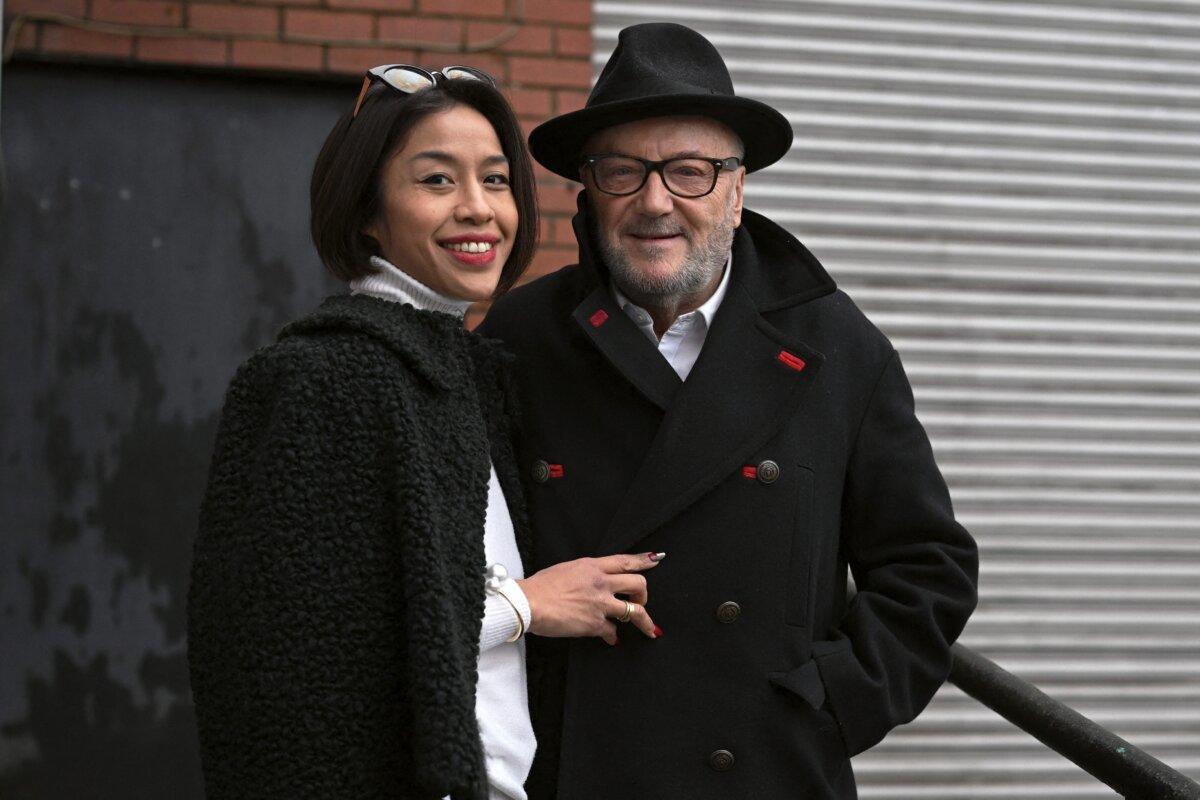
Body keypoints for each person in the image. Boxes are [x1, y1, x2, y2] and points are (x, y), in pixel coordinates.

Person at [478, 23, 980, 799]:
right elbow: (451, 552)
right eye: (622, 171)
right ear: (588, 189)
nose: (655, 202)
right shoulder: (518, 340)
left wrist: (829, 704)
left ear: (738, 193)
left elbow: (928, 570)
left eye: (690, 172)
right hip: (574, 770)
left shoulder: (838, 346)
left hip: (766, 773)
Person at [186, 64, 662, 800]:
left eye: (497, 181)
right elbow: (301, 641)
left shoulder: (466, 370)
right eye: (437, 181)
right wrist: (525, 607)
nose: (479, 210)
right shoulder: (322, 376)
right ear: (368, 208)